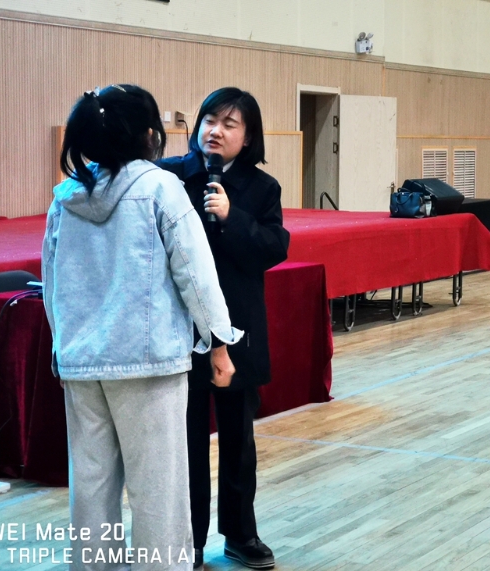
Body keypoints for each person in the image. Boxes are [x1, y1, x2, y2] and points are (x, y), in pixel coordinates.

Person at [42, 84, 243, 571]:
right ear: (149, 135)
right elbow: (195, 274)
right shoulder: (160, 188)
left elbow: (52, 285)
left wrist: (61, 348)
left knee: (91, 489)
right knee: (159, 493)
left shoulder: (64, 198)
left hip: (82, 365)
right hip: (148, 365)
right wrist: (219, 342)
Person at [157, 87, 290, 570]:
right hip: (180, 329)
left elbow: (273, 248)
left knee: (238, 442)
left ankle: (240, 534)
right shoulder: (170, 177)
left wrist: (233, 218)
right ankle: (187, 540)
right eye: (209, 120)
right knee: (185, 443)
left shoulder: (262, 188)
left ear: (248, 137)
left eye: (229, 124)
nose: (215, 131)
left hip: (237, 330)